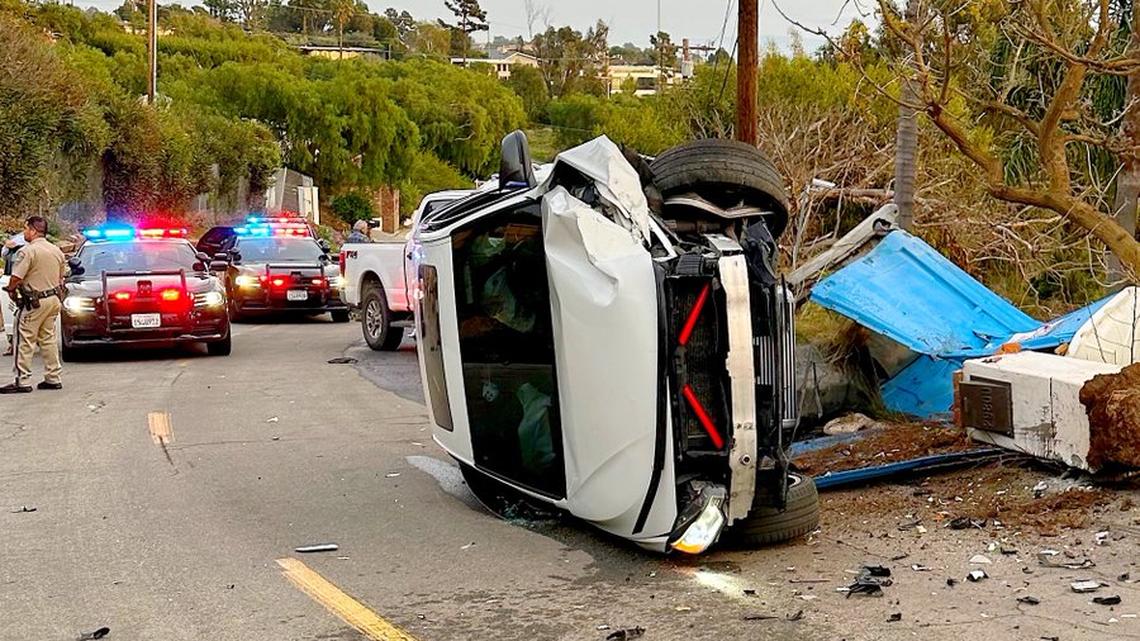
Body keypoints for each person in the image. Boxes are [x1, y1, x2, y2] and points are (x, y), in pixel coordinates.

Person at [1, 217, 66, 393]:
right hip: (53, 300)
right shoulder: (56, 251)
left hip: (35, 302)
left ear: (33, 230)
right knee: (48, 339)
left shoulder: (28, 252)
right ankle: (53, 377)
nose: (24, 233)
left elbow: (17, 277)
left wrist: (11, 289)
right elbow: (62, 277)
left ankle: (21, 380)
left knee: (24, 339)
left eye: (25, 229)